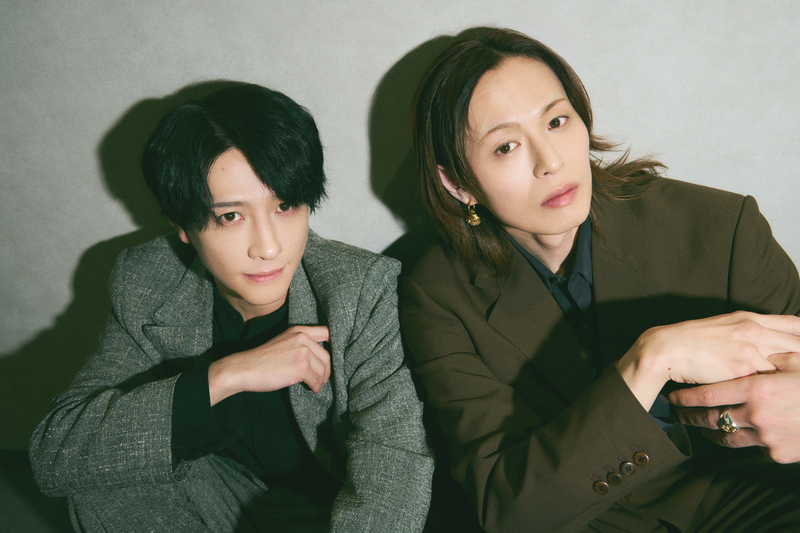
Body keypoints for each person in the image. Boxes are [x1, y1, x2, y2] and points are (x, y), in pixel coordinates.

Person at [401, 27, 800, 532]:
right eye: (506, 146)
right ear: (458, 184)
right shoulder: (437, 296)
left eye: (557, 121)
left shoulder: (721, 226)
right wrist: (650, 359)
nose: (550, 162)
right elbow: (508, 510)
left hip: (759, 501)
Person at [29, 82, 433, 532]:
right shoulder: (147, 280)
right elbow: (56, 454)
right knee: (104, 471)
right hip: (222, 497)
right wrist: (228, 375)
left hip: (330, 510)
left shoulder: (360, 289)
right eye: (230, 216)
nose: (268, 247)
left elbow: (394, 461)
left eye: (285, 205)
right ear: (182, 225)